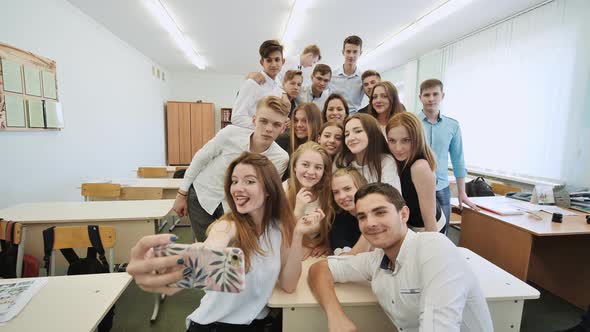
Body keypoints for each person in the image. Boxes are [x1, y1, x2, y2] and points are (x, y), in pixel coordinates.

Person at [128, 152, 324, 332]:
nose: (238, 188)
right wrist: (186, 263)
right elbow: (213, 245)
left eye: (249, 181)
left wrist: (297, 234)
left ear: (268, 190)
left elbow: (289, 285)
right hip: (214, 326)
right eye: (234, 181)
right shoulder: (228, 225)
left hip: (256, 324)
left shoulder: (278, 228)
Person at [308, 183, 494, 332]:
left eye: (380, 212)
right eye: (362, 216)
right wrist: (336, 317)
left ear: (403, 214)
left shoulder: (434, 248)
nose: (370, 223)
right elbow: (320, 269)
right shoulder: (377, 259)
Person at [175, 96, 289, 241]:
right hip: (201, 196)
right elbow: (199, 159)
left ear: (283, 128)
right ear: (254, 120)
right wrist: (181, 194)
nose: (268, 129)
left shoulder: (280, 158)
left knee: (231, 251)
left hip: (236, 208)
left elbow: (264, 192)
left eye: (276, 124)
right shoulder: (230, 134)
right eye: (263, 121)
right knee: (207, 249)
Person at [418, 79, 478, 233]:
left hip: (442, 189)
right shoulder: (412, 123)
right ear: (420, 98)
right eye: (426, 95)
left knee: (442, 234)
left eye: (435, 94)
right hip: (416, 186)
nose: (431, 98)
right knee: (417, 234)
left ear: (442, 96)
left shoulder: (453, 125)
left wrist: (462, 192)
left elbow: (458, 160)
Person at [386, 112, 446, 232]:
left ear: (417, 139)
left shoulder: (420, 167)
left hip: (427, 228)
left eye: (406, 140)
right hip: (412, 227)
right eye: (392, 141)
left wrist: (433, 244)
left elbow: (430, 219)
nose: (398, 148)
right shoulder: (397, 160)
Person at [284, 142, 334, 259]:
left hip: (314, 253)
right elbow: (280, 235)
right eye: (305, 165)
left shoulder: (327, 193)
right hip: (287, 251)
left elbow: (332, 229)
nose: (311, 172)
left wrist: (325, 244)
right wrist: (299, 209)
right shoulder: (282, 190)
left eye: (318, 167)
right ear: (295, 166)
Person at [336, 113, 401, 191]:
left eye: (358, 131)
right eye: (347, 134)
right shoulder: (343, 162)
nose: (351, 138)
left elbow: (392, 198)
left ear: (372, 133)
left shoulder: (386, 161)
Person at [231, 40, 285, 129]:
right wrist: (263, 125)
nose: (273, 64)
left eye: (277, 59)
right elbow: (237, 118)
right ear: (262, 62)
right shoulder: (252, 83)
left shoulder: (278, 88)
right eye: (269, 60)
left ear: (282, 61)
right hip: (250, 138)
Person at [329, 168, 371, 255]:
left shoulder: (380, 213)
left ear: (361, 187)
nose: (341, 196)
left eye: (347, 189)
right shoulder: (338, 219)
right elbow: (344, 258)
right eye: (336, 192)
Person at [329, 35, 364, 114]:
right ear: (343, 52)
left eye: (355, 52)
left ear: (360, 53)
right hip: (335, 117)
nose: (351, 55)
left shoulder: (363, 78)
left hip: (354, 119)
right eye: (348, 51)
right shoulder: (331, 76)